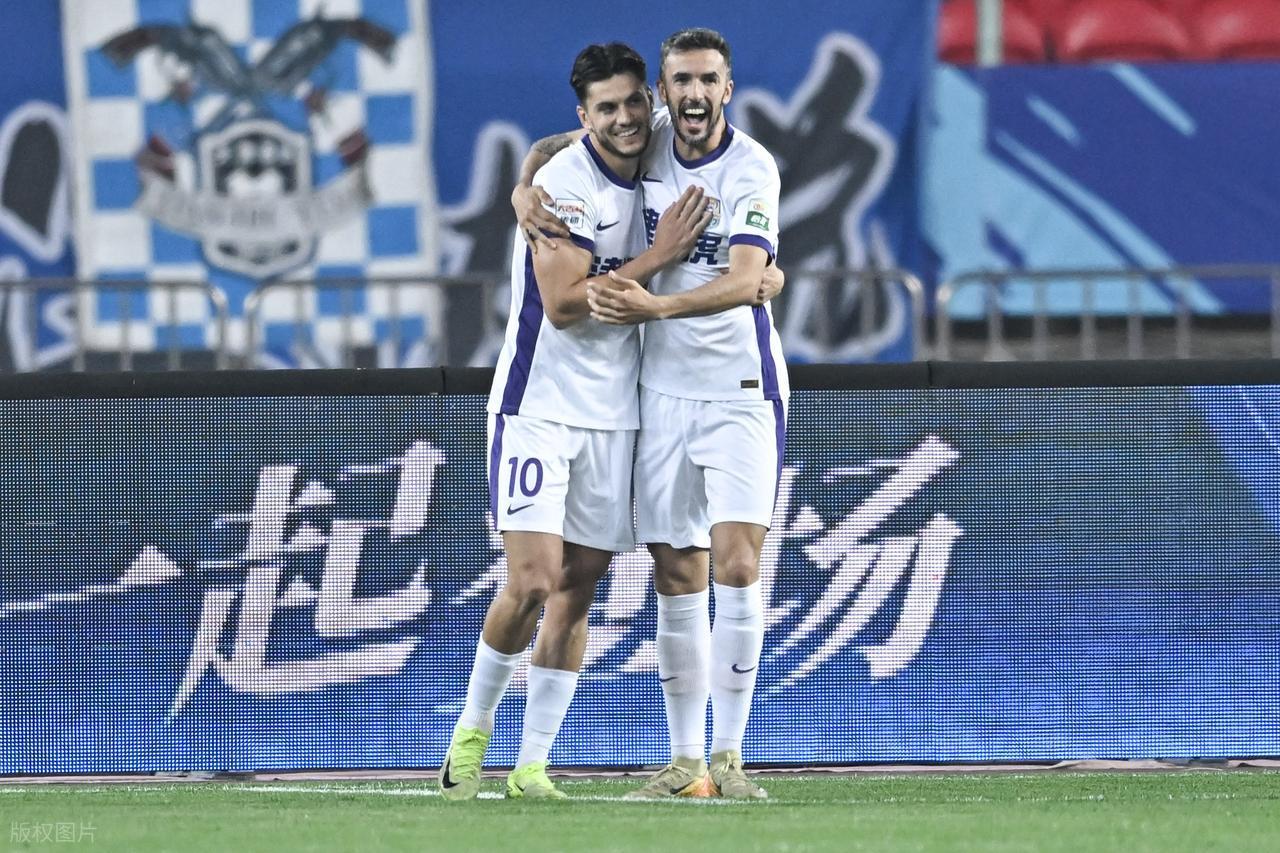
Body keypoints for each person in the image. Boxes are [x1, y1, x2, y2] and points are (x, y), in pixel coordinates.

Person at [514, 28, 786, 800]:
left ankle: (731, 757)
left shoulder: (751, 167)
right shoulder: (651, 132)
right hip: (660, 391)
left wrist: (656, 304)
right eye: (681, 82)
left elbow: (747, 278)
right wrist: (523, 190)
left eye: (707, 80)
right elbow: (555, 147)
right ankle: (687, 763)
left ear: (727, 88)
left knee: (737, 562)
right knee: (676, 569)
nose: (694, 94)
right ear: (664, 91)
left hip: (738, 386)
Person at [438, 41, 714, 802]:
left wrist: (520, 177)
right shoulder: (566, 183)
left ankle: (531, 766)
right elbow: (563, 306)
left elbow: (546, 143)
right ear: (584, 116)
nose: (624, 119)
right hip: (539, 405)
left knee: (579, 589)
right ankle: (471, 735)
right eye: (606, 108)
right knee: (531, 581)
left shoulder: (657, 140)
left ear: (648, 100)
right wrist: (659, 254)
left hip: (615, 414)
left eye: (633, 102)